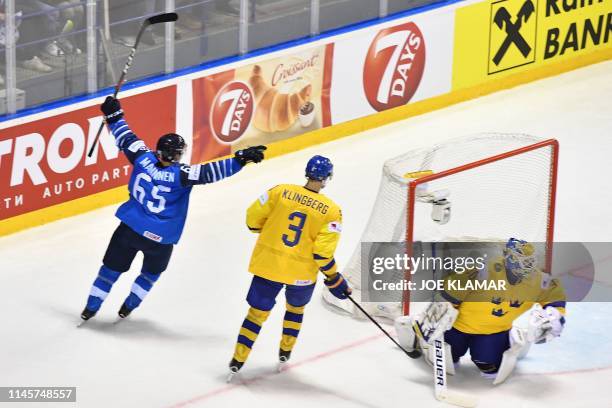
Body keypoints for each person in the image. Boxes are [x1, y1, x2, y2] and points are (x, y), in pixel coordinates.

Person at [79, 96, 266, 322]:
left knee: (109, 270)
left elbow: (126, 136)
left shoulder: (141, 157)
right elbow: (213, 171)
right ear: (176, 155)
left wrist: (113, 115)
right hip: (161, 239)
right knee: (150, 274)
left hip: (129, 229)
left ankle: (90, 307)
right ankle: (128, 306)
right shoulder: (182, 175)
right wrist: (241, 159)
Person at [227, 155, 351, 380]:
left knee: (256, 315)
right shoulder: (332, 211)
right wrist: (334, 279)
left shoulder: (280, 191)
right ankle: (285, 352)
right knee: (295, 310)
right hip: (301, 275)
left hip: (268, 266)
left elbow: (252, 218)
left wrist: (263, 230)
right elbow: (322, 254)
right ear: (326, 179)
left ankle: (238, 359)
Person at [395, 238, 566, 384]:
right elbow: (450, 292)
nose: (527, 266)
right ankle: (412, 331)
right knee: (447, 361)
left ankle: (513, 341)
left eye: (530, 261)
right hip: (457, 327)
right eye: (523, 260)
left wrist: (554, 313)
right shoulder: (482, 272)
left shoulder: (537, 280)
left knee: (489, 367)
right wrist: (434, 317)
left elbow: (553, 293)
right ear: (509, 258)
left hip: (494, 332)